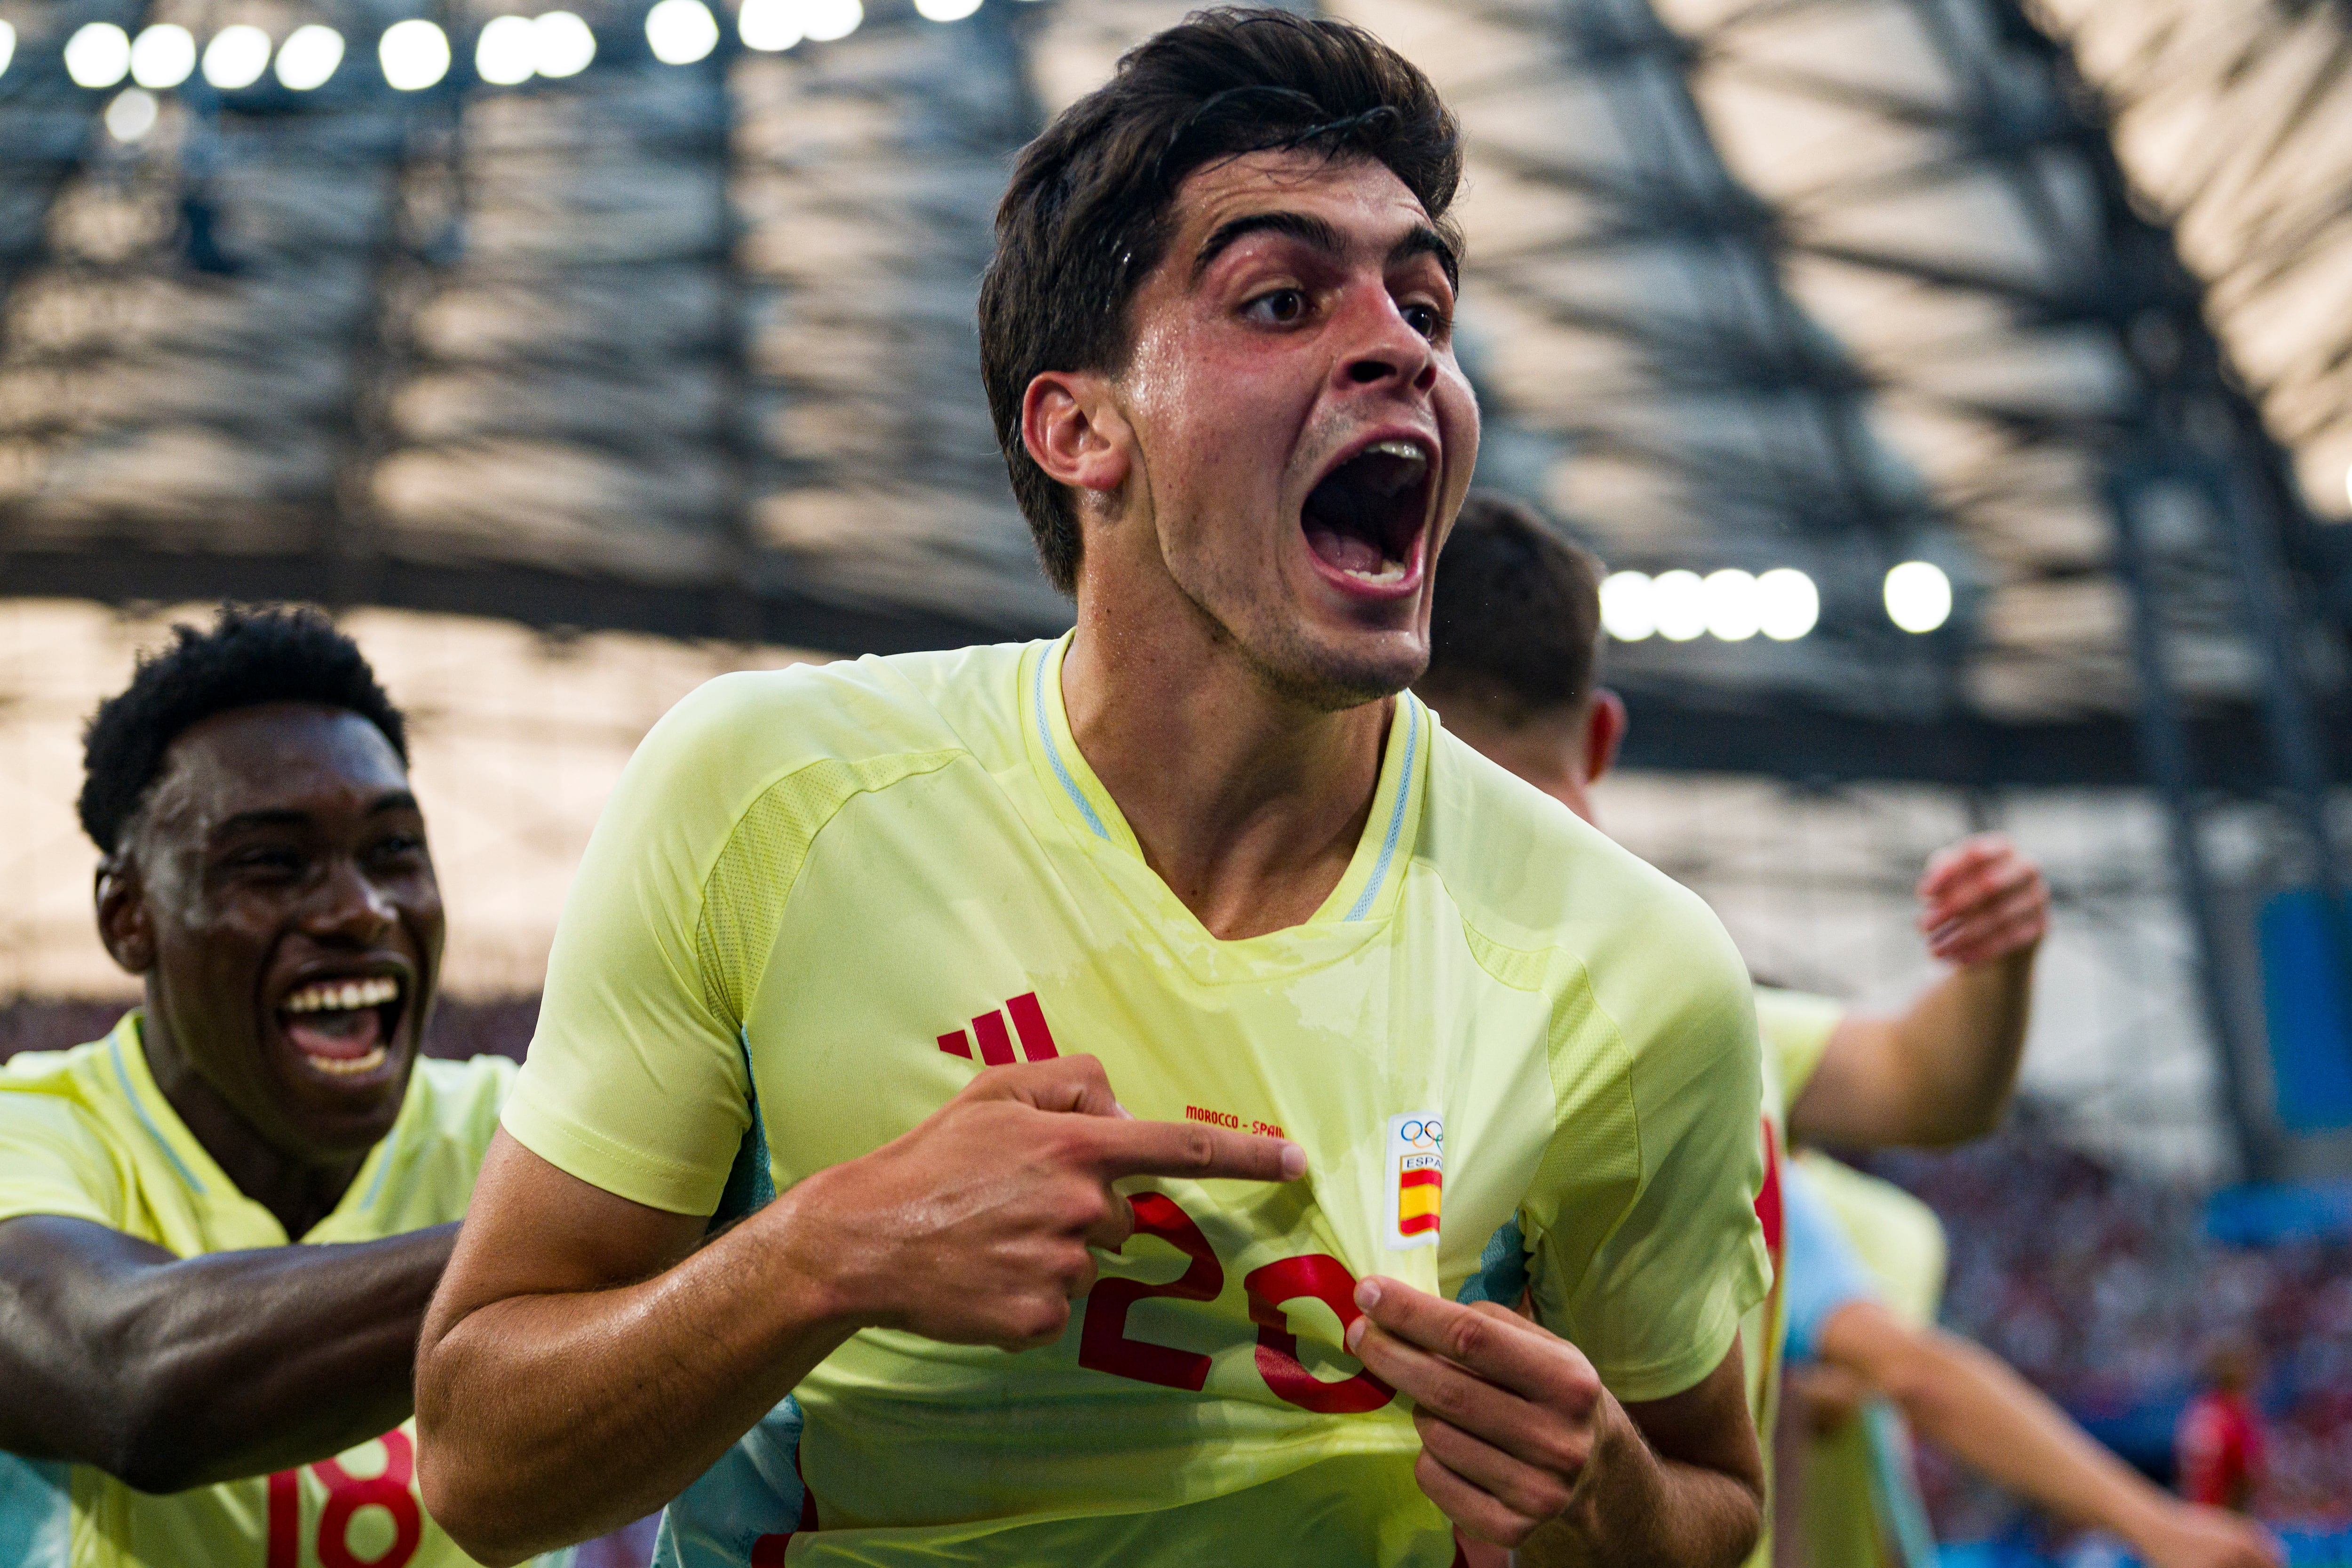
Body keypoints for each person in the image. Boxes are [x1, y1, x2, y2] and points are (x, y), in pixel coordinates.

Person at [413, 14, 1774, 1568]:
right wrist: (818, 1257)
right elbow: (478, 1457)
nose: (1403, 344)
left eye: (1426, 303)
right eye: (1281, 296)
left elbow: (1714, 1506)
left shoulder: (1634, 968)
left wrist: (1605, 1499)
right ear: (1079, 428)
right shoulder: (772, 796)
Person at [1409, 488, 2048, 1568]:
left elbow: (1919, 1083)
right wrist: (2003, 961)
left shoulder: (1418, 1007)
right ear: (1603, 731)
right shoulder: (1686, 994)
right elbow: (1935, 1089)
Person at [0, 606, 564, 1568]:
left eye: (394, 850)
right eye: (272, 862)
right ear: (126, 914)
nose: (359, 906)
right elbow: (127, 1381)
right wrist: (595, 1230)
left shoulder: (517, 1131)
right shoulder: (36, 1134)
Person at [1780, 1157, 2280, 1568]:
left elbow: (1881, 1396)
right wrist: (2155, 1526)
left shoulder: (1884, 1226)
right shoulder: (1787, 1193)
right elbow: (1911, 1377)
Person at [2176, 1342, 2267, 1514]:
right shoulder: (2236, 1416)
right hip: (2224, 1518)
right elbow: (2247, 1477)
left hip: (2194, 1515)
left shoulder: (2198, 1410)